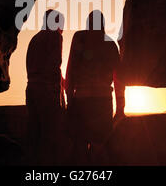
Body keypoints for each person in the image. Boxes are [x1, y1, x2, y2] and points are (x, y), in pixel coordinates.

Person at [65, 10, 125, 164]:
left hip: (81, 99)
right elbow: (119, 79)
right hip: (102, 100)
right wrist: (120, 108)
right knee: (99, 146)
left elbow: (71, 70)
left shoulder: (80, 38)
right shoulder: (110, 44)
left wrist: (69, 100)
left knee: (80, 146)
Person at [25, 9, 65, 165]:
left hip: (31, 88)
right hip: (47, 91)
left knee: (34, 133)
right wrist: (61, 94)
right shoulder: (54, 36)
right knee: (50, 135)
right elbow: (55, 65)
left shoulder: (34, 39)